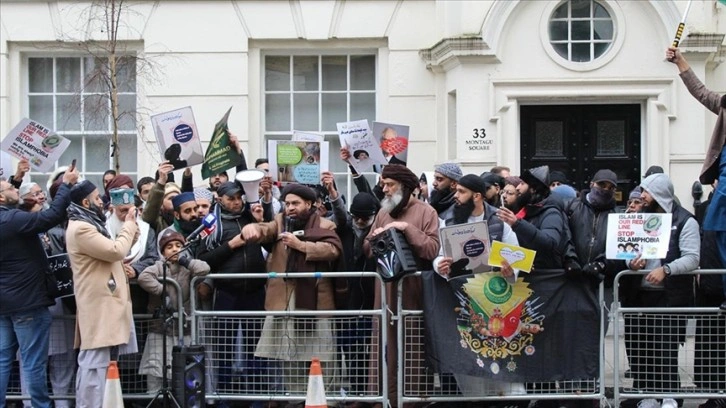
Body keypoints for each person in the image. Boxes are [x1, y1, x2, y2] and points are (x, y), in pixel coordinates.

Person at [244, 183, 345, 396]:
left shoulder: (326, 225)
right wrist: (253, 228)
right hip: (285, 299)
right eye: (287, 203)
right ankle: (296, 398)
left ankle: (329, 398)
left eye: (295, 203)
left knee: (322, 354)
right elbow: (266, 230)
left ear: (308, 204)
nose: (289, 207)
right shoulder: (280, 222)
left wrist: (300, 245)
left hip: (315, 300)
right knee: (289, 353)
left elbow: (333, 250)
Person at [430, 174, 524, 400]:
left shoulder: (499, 221)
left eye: (462, 192)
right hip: (464, 299)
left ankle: (509, 400)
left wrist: (511, 270)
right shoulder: (448, 221)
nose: (457, 196)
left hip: (497, 299)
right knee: (470, 354)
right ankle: (476, 399)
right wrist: (439, 265)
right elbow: (439, 256)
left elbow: (515, 255)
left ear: (478, 196)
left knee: (502, 355)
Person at [0, 166, 78, 408]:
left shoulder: (9, 218)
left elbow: (10, 197)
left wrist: (16, 178)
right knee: (34, 362)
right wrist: (65, 185)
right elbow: (51, 216)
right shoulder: (12, 219)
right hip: (28, 302)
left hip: (5, 303)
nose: (17, 189)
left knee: (3, 360)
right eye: (12, 187)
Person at [362, 164, 440, 406]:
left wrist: (407, 229)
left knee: (411, 345)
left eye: (389, 185)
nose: (384, 190)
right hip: (384, 290)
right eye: (383, 184)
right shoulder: (383, 212)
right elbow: (366, 249)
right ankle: (382, 399)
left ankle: (412, 401)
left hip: (412, 290)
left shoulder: (427, 212)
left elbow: (431, 248)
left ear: (405, 187)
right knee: (383, 345)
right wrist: (377, 236)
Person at [621, 173, 700, 408]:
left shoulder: (686, 221)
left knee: (664, 348)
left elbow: (692, 258)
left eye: (646, 192)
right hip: (639, 295)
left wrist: (666, 270)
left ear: (658, 194)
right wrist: (631, 263)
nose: (641, 197)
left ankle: (669, 396)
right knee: (639, 347)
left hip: (669, 296)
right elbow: (628, 252)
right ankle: (645, 395)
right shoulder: (639, 218)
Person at [65, 180, 140, 407]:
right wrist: (128, 224)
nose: (102, 202)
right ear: (85, 202)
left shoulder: (92, 223)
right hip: (98, 304)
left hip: (107, 303)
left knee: (106, 365)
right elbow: (115, 250)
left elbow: (121, 245)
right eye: (98, 198)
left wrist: (130, 223)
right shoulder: (81, 228)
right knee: (94, 365)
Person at [667, 46, 726, 310]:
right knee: (714, 230)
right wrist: (680, 61)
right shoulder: (724, 105)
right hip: (724, 180)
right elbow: (700, 92)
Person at [197, 181, 270, 395]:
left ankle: (257, 396)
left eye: (239, 197)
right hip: (227, 292)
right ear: (219, 200)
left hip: (255, 292)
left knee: (256, 348)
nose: (237, 202)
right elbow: (203, 260)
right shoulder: (211, 223)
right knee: (226, 348)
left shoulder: (251, 216)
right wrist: (231, 245)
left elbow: (272, 245)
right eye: (231, 198)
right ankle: (226, 396)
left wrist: (262, 223)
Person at [137, 230, 210, 392]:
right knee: (156, 367)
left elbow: (204, 269)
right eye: (169, 247)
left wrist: (186, 261)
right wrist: (163, 290)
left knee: (183, 368)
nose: (175, 249)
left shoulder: (188, 267)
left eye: (178, 246)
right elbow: (144, 277)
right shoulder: (158, 266)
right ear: (163, 251)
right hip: (160, 329)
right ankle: (154, 398)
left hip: (184, 329)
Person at [142, 161, 181, 233]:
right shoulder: (158, 221)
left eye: (178, 198)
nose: (175, 201)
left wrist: (187, 175)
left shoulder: (185, 218)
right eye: (171, 198)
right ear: (162, 203)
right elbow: (149, 215)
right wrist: (161, 182)